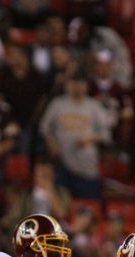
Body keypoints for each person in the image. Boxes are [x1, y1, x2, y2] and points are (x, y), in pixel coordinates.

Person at [39, 70, 110, 200]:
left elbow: (106, 135)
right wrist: (51, 142)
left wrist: (90, 138)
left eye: (81, 83)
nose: (78, 86)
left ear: (86, 86)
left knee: (88, 204)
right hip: (62, 163)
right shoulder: (58, 103)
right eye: (75, 83)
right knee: (59, 203)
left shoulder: (94, 106)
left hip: (86, 164)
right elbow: (44, 128)